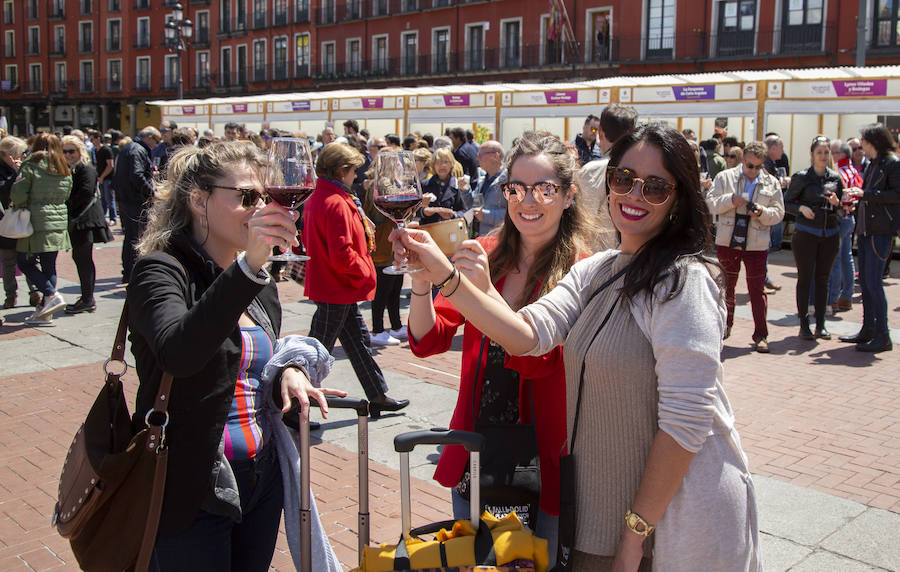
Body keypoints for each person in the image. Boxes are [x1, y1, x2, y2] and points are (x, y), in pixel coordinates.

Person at [393, 123, 761, 571]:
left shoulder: (683, 281)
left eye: (656, 186)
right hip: (586, 497)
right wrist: (435, 277)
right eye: (623, 180)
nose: (634, 195)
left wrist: (634, 535)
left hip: (673, 512)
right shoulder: (601, 271)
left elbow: (687, 422)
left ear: (680, 198)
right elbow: (528, 334)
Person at [128, 141, 344, 570]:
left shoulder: (257, 280)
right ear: (199, 201)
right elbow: (179, 353)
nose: (262, 208)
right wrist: (246, 268)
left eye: (266, 197)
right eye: (247, 198)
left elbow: (255, 356)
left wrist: (289, 368)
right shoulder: (161, 270)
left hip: (261, 475)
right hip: (192, 480)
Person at [408, 131, 589, 566]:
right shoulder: (486, 252)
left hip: (542, 459)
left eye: (544, 188)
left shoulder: (582, 269)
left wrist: (488, 295)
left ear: (567, 196)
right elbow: (428, 340)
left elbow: (539, 358)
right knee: (475, 561)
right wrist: (419, 282)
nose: (528, 200)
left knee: (535, 562)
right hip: (477, 448)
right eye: (516, 187)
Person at [302, 143, 410, 417]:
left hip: (336, 286)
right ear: (341, 171)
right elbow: (342, 253)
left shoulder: (324, 196)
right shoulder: (336, 202)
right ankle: (295, 403)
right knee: (317, 350)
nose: (356, 175)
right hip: (337, 286)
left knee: (358, 342)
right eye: (352, 170)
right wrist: (366, 273)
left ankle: (377, 394)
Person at [706, 141, 785, 352]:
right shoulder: (725, 177)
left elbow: (779, 213)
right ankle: (725, 326)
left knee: (757, 289)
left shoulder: (771, 182)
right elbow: (710, 203)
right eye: (750, 166)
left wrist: (762, 212)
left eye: (759, 167)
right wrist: (732, 200)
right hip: (728, 240)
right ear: (743, 160)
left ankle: (761, 334)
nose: (754, 171)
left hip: (756, 243)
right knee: (726, 287)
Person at [840, 124, 900, 352]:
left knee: (874, 283)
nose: (860, 144)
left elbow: (896, 195)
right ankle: (868, 329)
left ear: (873, 141)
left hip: (880, 230)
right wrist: (861, 198)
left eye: (863, 140)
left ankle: (883, 334)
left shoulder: (892, 164)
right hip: (867, 229)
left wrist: (866, 195)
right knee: (865, 282)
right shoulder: (875, 164)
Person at [784, 136, 843, 340]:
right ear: (812, 155)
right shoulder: (801, 177)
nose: (823, 156)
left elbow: (843, 206)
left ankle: (821, 324)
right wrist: (801, 208)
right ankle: (804, 324)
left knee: (823, 279)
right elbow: (787, 202)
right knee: (805, 278)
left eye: (826, 152)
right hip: (806, 233)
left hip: (830, 234)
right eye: (819, 152)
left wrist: (838, 203)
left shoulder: (835, 178)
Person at [11, 133, 72, 325]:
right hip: (58, 219)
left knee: (24, 261)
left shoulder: (31, 163)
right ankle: (46, 310)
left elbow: (18, 193)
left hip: (35, 219)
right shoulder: (63, 167)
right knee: (49, 264)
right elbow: (67, 192)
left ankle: (51, 294)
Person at [574, 104, 639, 252]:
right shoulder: (645, 171)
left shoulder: (591, 172)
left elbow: (581, 222)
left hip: (597, 260)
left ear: (600, 131)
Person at [61, 135, 113, 315]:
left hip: (86, 220)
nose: (68, 155)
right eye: (65, 151)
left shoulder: (86, 169)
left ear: (80, 151)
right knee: (80, 258)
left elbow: (84, 193)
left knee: (82, 258)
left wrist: (64, 205)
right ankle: (86, 297)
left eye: (71, 151)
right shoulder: (71, 169)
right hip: (80, 220)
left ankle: (88, 298)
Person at [113, 126, 160, 283]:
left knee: (131, 237)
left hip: (127, 199)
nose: (157, 144)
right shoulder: (137, 150)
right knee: (137, 238)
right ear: (149, 137)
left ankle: (129, 271)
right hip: (135, 201)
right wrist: (151, 192)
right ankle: (133, 272)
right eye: (156, 140)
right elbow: (136, 174)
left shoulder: (129, 148)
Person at [828, 140, 862, 315]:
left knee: (835, 260)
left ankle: (833, 299)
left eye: (833, 152)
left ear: (841, 154)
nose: (830, 156)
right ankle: (846, 296)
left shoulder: (839, 173)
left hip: (841, 218)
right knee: (846, 258)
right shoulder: (853, 171)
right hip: (850, 218)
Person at [0, 136, 27, 309]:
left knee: (28, 259)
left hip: (24, 219)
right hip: (4, 221)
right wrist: (16, 175)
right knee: (8, 261)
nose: (23, 156)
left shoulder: (24, 167)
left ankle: (35, 292)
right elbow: (3, 191)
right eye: (20, 153)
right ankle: (11, 295)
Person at [419, 148, 468, 226]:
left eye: (446, 162)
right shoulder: (425, 184)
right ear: (433, 165)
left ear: (452, 164)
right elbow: (415, 210)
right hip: (429, 230)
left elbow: (466, 212)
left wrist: (453, 215)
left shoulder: (458, 185)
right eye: (438, 162)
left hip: (451, 231)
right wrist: (424, 211)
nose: (442, 166)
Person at [470, 140, 507, 237]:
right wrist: (464, 190)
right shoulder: (482, 180)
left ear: (496, 156)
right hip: (479, 237)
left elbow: (513, 213)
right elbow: (471, 204)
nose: (477, 158)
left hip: (498, 240)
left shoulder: (509, 181)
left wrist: (485, 216)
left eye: (481, 154)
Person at [95, 132, 117, 225]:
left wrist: (102, 177)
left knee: (109, 199)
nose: (91, 141)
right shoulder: (96, 150)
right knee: (103, 199)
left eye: (93, 139)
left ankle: (113, 218)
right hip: (101, 178)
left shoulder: (106, 150)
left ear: (98, 138)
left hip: (108, 178)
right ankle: (103, 217)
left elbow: (110, 165)